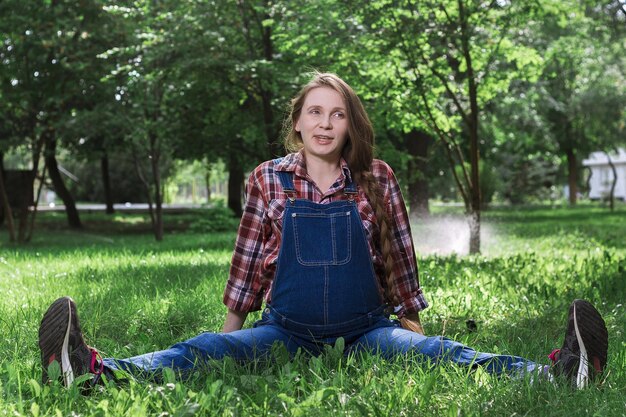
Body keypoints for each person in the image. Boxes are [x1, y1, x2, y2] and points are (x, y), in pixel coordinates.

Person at [38, 73, 608, 390]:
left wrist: (413, 332)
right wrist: (231, 335)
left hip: (366, 330)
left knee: (445, 353)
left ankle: (559, 371)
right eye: (315, 112)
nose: (326, 124)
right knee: (203, 351)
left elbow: (398, 262)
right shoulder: (268, 179)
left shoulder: (377, 177)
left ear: (350, 122)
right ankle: (91, 369)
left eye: (337, 114)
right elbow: (247, 265)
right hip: (284, 329)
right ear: (297, 122)